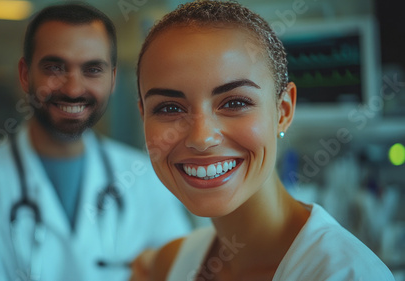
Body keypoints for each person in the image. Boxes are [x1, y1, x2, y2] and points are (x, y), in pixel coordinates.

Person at [134, 1, 395, 280]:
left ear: (283, 111)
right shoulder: (169, 265)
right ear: (143, 116)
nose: (201, 138)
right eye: (169, 108)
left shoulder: (348, 274)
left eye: (234, 102)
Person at [0, 3, 191, 281]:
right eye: (55, 68)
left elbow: (182, 271)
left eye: (92, 69)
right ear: (25, 75)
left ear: (113, 80)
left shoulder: (146, 179)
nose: (74, 88)